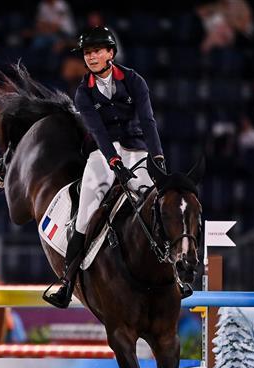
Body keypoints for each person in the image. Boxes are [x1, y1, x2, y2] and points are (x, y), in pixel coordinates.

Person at [45, 26, 167, 308]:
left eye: (97, 51)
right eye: (88, 53)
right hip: (103, 154)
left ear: (111, 53)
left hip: (137, 150)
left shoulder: (135, 80)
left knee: (156, 206)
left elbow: (148, 121)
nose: (91, 57)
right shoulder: (83, 94)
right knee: (85, 214)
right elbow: (98, 132)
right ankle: (67, 283)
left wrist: (157, 157)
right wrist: (113, 162)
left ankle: (177, 275)